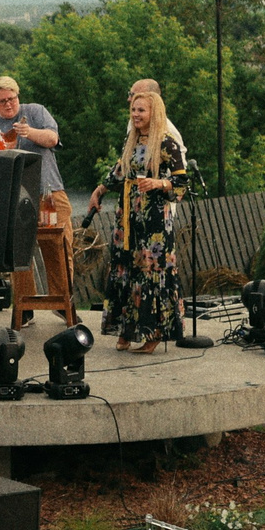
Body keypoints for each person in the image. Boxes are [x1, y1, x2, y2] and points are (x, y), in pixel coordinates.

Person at [96, 83, 190, 354]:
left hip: (154, 223)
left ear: (153, 112)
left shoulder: (166, 143)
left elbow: (181, 182)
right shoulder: (132, 142)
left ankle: (154, 333)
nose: (135, 115)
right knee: (125, 270)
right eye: (133, 110)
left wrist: (158, 184)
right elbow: (117, 173)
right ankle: (126, 330)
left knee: (150, 273)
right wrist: (100, 190)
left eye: (141, 110)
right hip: (128, 220)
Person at [0, 76, 63, 200]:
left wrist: (29, 132)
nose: (8, 104)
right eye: (2, 101)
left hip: (47, 190)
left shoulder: (36, 111)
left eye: (11, 99)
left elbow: (53, 139)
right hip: (11, 195)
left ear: (17, 96)